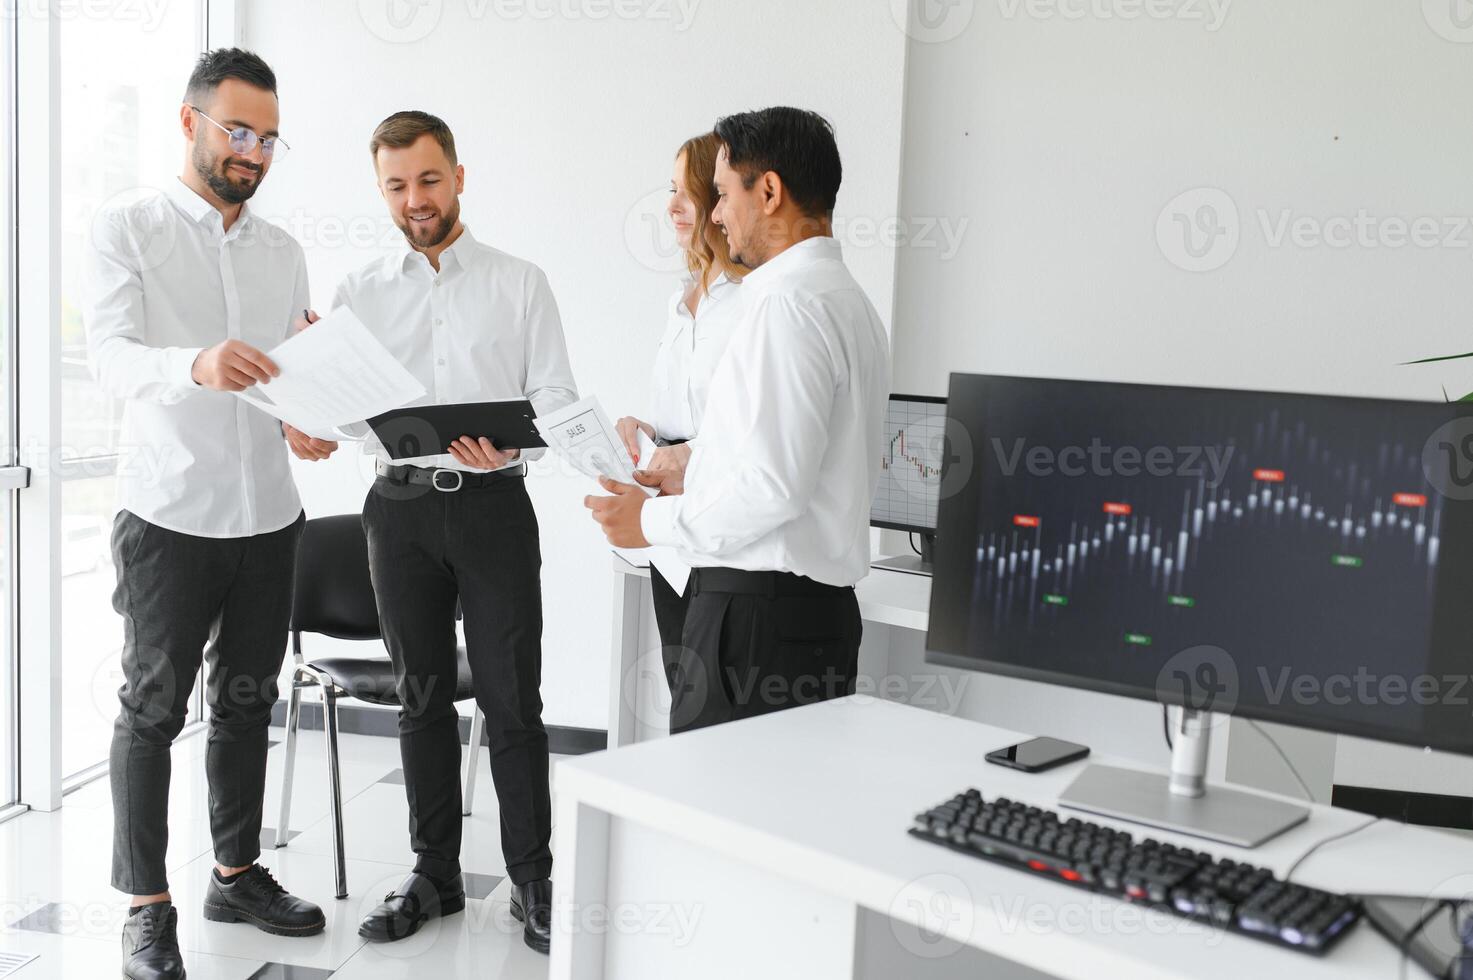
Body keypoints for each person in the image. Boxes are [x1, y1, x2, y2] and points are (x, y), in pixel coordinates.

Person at [301, 110, 577, 955]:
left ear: (458, 176)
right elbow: (345, 424)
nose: (414, 199)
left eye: (427, 179)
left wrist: (514, 441)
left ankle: (534, 881)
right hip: (400, 510)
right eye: (396, 185)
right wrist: (316, 386)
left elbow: (560, 401)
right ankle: (435, 874)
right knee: (421, 698)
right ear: (380, 189)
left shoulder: (519, 280)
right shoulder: (358, 292)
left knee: (510, 698)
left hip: (493, 507)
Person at [84, 48, 331, 980]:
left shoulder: (282, 250)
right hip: (168, 512)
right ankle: (147, 908)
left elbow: (282, 382)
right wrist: (193, 363)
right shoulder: (129, 227)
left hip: (267, 512)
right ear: (189, 123)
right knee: (151, 711)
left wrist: (305, 423)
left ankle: (234, 872)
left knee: (244, 704)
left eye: (267, 137)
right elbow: (105, 357)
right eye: (237, 130)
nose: (253, 151)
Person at [586, 106, 891, 733]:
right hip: (817, 618)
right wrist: (691, 468)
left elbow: (771, 489)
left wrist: (649, 521)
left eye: (722, 194)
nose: (716, 215)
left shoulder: (787, 305)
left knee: (714, 813)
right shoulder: (849, 302)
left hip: (755, 625)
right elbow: (786, 460)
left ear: (770, 192)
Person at [614, 131, 748, 684]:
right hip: (669, 535)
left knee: (720, 697)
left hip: (717, 524)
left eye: (685, 192)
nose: (670, 206)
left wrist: (687, 453)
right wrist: (648, 429)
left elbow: (746, 425)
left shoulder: (753, 300)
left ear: (719, 203)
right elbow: (686, 407)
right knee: (684, 692)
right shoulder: (682, 297)